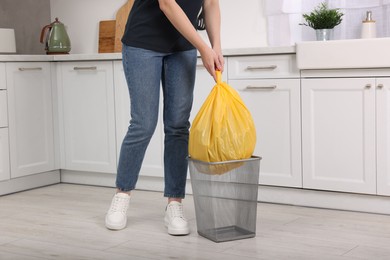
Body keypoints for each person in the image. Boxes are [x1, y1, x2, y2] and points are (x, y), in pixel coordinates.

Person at [105, 0, 224, 235]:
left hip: (183, 46)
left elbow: (210, 3)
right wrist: (203, 47)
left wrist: (216, 46)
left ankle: (174, 204)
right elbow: (167, 4)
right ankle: (122, 195)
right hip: (143, 43)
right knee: (143, 124)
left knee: (178, 126)